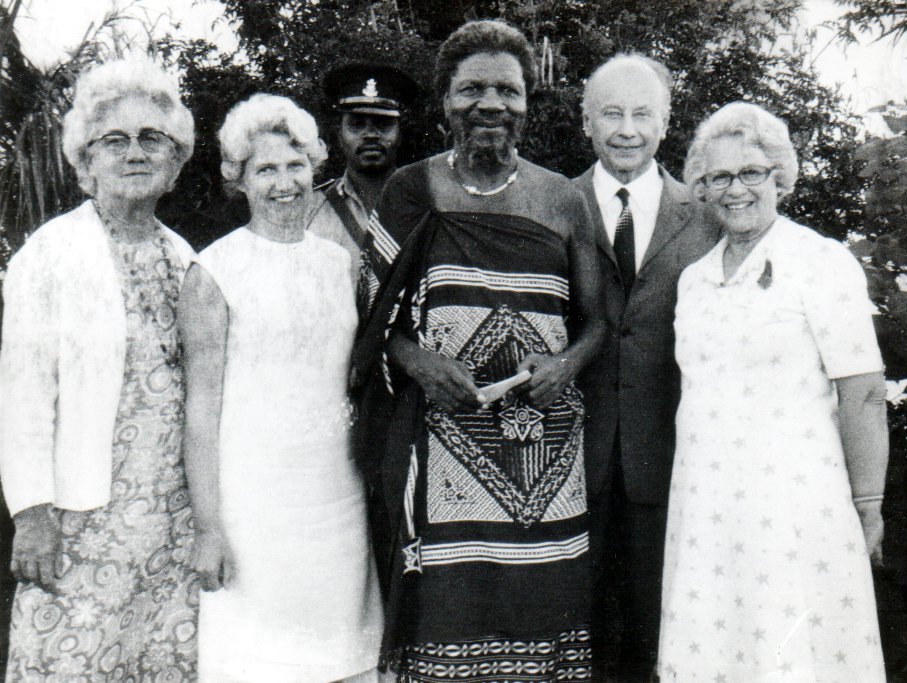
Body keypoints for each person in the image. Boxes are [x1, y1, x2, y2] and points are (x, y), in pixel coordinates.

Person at [353, 19, 606, 682]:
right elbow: (369, 313)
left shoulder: (563, 197)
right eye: (472, 89)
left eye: (506, 90)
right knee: (446, 612)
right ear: (445, 102)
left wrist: (564, 363)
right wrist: (416, 361)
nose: (490, 104)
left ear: (527, 102)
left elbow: (599, 320)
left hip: (545, 451)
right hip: (441, 452)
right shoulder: (412, 189)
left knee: (545, 608)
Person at [658, 101, 888, 682]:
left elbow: (862, 391)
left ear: (779, 177)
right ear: (702, 188)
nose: (735, 189)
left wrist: (867, 504)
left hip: (794, 508)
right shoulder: (694, 279)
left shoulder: (820, 261)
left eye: (751, 173)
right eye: (718, 177)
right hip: (708, 507)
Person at [0, 57, 198, 680]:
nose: (134, 152)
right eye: (114, 140)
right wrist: (31, 512)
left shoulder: (186, 257)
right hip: (78, 520)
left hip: (172, 522)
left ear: (174, 160)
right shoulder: (51, 253)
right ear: (85, 162)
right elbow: (22, 390)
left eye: (151, 138)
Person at [178, 93, 382, 683]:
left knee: (344, 659)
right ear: (239, 179)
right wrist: (209, 528)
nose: (284, 182)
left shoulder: (339, 265)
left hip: (336, 499)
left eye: (295, 165)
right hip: (253, 509)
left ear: (315, 166)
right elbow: (200, 410)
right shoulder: (213, 271)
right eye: (265, 169)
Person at [571, 53, 719, 680]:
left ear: (666, 121)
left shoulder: (710, 216)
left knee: (660, 640)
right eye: (611, 113)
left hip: (670, 459)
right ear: (586, 121)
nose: (627, 129)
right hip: (567, 459)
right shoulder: (553, 202)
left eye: (642, 113)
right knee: (575, 638)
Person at [311, 62, 419, 321]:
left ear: (400, 131)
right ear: (339, 133)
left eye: (383, 124)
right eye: (357, 125)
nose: (370, 135)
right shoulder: (310, 209)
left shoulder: (426, 205)